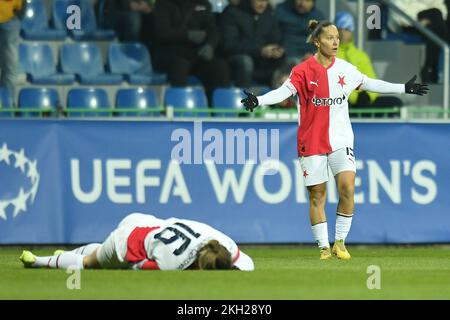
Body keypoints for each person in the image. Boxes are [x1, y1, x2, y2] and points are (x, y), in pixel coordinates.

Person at [241, 20, 429, 260]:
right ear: (317, 42)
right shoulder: (302, 71)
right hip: (311, 141)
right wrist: (259, 100)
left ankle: (340, 242)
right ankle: (323, 247)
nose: (336, 41)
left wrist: (404, 88)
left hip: (341, 139)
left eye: (337, 37)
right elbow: (283, 92)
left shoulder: (346, 70)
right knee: (317, 195)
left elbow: (371, 83)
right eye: (330, 37)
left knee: (348, 188)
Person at [20, 212, 255, 271]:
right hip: (127, 242)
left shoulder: (222, 242)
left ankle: (69, 253)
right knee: (90, 264)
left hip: (147, 220)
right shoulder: (173, 265)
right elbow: (137, 266)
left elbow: (243, 261)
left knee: (99, 253)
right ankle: (37, 261)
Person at [152, 0, 230, 103]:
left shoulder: (204, 4)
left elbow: (213, 30)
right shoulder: (163, 4)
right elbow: (161, 32)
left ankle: (218, 109)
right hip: (169, 53)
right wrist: (187, 35)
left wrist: (210, 45)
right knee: (181, 65)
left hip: (196, 53)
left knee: (220, 66)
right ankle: (178, 108)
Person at [335, 11, 403, 116]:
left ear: (352, 31)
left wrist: (368, 96)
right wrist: (355, 97)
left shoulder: (361, 55)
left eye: (347, 29)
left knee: (395, 102)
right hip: (344, 101)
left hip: (363, 98)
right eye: (339, 29)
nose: (343, 32)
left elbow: (372, 80)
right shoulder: (329, 56)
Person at [220, 0, 285, 87]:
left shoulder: (269, 13)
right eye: (259, 0)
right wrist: (260, 51)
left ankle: (277, 97)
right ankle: (244, 96)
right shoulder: (232, 12)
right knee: (246, 61)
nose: (263, 4)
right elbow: (230, 45)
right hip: (237, 59)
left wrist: (276, 50)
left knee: (288, 61)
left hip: (262, 60)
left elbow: (276, 38)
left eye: (266, 1)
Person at [388, 0, 448, 83]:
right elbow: (399, 14)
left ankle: (428, 68)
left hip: (432, 22)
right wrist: (418, 20)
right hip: (409, 23)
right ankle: (431, 68)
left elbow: (441, 7)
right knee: (438, 23)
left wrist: (428, 20)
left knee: (436, 16)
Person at [0, 0, 23, 101]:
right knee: (10, 71)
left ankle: (7, 106)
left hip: (10, 20)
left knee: (10, 70)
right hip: (11, 19)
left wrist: (18, 15)